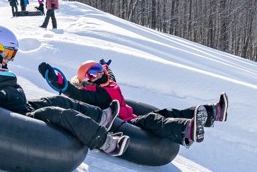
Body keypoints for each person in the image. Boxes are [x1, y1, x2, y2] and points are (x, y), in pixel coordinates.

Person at [0, 22, 130, 157]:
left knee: (59, 101)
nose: (9, 60)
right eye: (8, 54)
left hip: (23, 106)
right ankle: (107, 143)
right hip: (19, 116)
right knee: (62, 114)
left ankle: (100, 117)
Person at [38, 59, 228, 147]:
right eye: (92, 74)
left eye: (97, 69)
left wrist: (103, 65)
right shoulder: (95, 94)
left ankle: (214, 113)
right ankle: (186, 130)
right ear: (89, 82)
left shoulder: (108, 80)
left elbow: (106, 71)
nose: (99, 73)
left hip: (132, 115)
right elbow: (76, 94)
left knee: (167, 112)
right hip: (124, 124)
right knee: (154, 120)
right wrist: (60, 83)